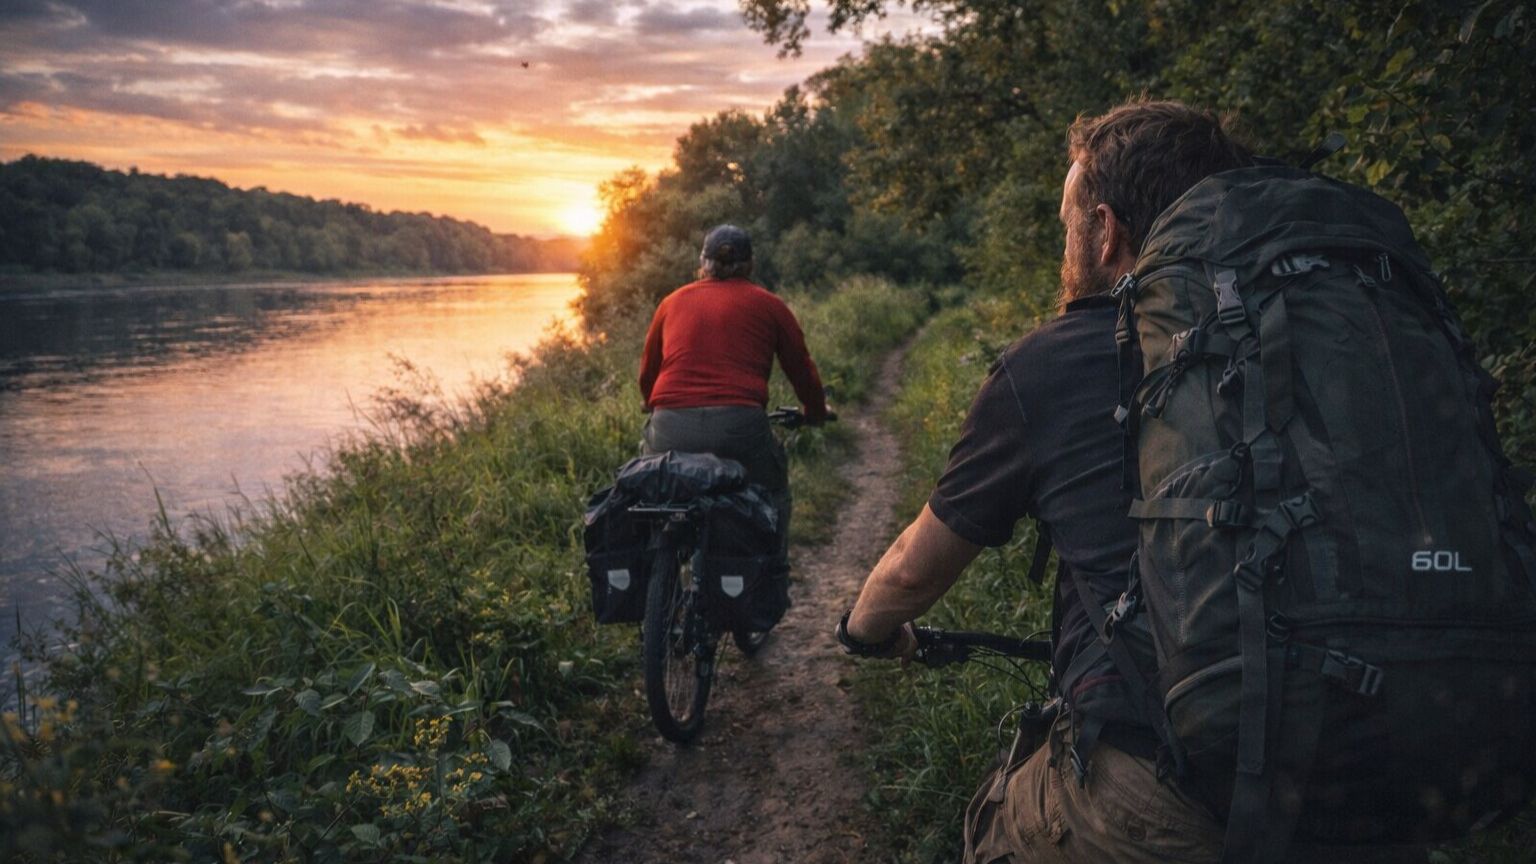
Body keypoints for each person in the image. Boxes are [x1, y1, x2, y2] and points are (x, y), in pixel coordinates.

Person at [835, 101, 1253, 863]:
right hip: (1373, 763)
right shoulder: (1297, 337)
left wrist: (863, 631)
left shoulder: (1053, 363)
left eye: (1066, 222)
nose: (1064, 240)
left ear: (1104, 230)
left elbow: (910, 571)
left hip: (1174, 786)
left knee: (998, 827)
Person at [638, 224, 829, 568]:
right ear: (750, 264)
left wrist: (648, 400)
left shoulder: (672, 301)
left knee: (657, 489)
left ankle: (658, 571)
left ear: (703, 262)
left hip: (670, 425)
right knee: (772, 491)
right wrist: (814, 411)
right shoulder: (770, 305)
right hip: (739, 427)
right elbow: (801, 368)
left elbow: (648, 369)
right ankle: (772, 565)